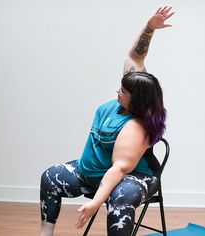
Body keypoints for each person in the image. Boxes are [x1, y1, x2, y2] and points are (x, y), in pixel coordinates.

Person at [40, 6, 174, 236]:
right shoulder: (131, 89)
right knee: (50, 177)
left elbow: (119, 169)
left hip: (133, 177)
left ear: (136, 101)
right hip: (91, 173)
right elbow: (135, 56)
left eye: (123, 91)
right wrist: (149, 28)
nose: (118, 90)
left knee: (119, 196)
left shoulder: (136, 127)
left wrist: (94, 204)